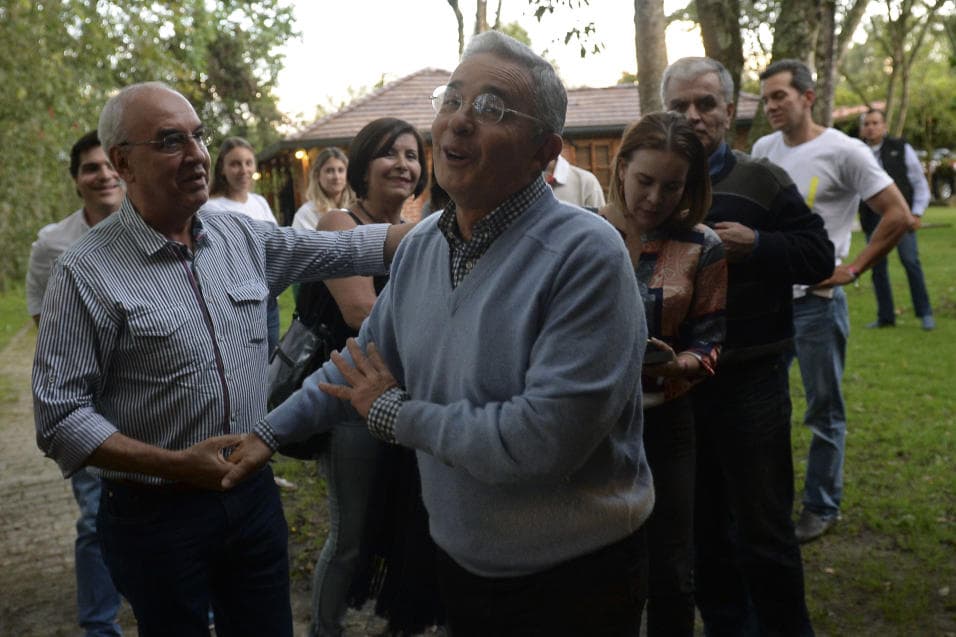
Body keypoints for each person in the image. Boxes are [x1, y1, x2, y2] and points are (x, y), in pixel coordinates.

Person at [226, 30, 653, 636]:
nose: (457, 123)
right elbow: (357, 364)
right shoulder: (424, 245)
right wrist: (267, 432)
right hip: (460, 561)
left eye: (491, 109)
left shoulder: (586, 255)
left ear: (544, 150)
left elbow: (539, 443)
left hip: (573, 579)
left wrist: (397, 416)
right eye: (452, 100)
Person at [32, 81, 412, 637]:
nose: (196, 156)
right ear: (122, 163)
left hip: (251, 494)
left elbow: (348, 246)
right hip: (155, 513)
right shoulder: (84, 272)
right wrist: (175, 464)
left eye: (198, 136)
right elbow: (59, 418)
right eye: (169, 141)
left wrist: (455, 226)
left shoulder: (238, 235)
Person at [663, 56, 834, 636]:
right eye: (679, 106)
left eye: (705, 104)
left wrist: (758, 244)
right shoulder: (654, 187)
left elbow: (818, 256)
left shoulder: (762, 180)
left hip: (752, 382)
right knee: (703, 530)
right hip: (679, 386)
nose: (693, 116)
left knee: (764, 530)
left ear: (730, 112)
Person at [752, 59, 909, 543]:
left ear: (808, 97)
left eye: (780, 95)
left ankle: (821, 504)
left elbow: (897, 214)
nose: (772, 105)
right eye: (767, 98)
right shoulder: (763, 149)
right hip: (768, 303)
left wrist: (855, 268)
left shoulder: (846, 150)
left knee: (823, 410)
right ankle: (770, 505)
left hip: (818, 305)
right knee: (765, 408)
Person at [294, 118, 436, 637]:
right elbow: (362, 314)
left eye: (412, 155)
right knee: (351, 535)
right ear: (361, 166)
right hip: (349, 398)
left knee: (408, 527)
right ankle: (325, 629)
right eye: (388, 154)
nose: (403, 164)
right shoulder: (339, 225)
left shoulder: (421, 226)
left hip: (410, 397)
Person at [601, 111, 726, 636]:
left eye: (671, 187)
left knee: (671, 566)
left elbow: (711, 340)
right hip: (590, 425)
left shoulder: (703, 245)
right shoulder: (581, 231)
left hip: (667, 421)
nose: (654, 198)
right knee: (604, 563)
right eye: (644, 182)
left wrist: (681, 364)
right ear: (622, 166)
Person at [26, 130, 125, 637]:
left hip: (150, 395)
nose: (103, 174)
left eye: (110, 164)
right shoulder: (53, 244)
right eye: (91, 167)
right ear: (76, 181)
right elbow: (47, 324)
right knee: (94, 516)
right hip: (87, 399)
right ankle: (99, 624)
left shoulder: (157, 227)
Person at [203, 137, 281, 353]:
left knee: (272, 363)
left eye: (248, 162)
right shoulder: (211, 208)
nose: (243, 169)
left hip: (269, 297)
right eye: (235, 163)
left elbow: (276, 246)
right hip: (236, 302)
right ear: (222, 169)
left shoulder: (260, 202)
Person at [859, 108, 935, 330]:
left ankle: (925, 313)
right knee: (876, 267)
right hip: (871, 218)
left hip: (901, 217)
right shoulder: (857, 152)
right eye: (867, 124)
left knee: (910, 261)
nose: (871, 127)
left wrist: (917, 213)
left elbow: (919, 183)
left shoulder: (901, 148)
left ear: (884, 126)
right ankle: (885, 317)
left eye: (875, 123)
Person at [292, 147, 356, 230]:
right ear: (317, 175)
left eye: (341, 170)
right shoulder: (307, 213)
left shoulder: (357, 208)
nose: (336, 177)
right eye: (329, 171)